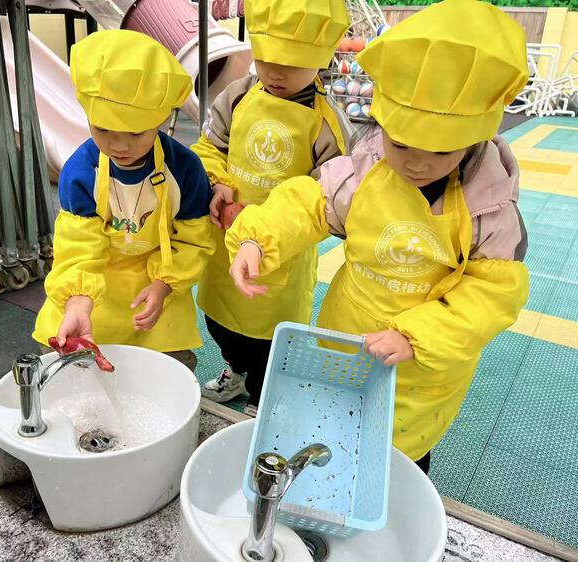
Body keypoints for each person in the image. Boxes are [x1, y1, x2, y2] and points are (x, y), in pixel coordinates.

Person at [226, 0, 530, 472]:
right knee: (331, 434)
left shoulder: (490, 209)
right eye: (401, 143)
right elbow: (308, 202)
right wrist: (256, 238)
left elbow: (491, 295)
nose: (416, 164)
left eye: (440, 151)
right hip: (347, 336)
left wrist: (417, 336)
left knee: (397, 460)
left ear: (475, 139)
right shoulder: (366, 170)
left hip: (418, 369)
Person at [192, 0, 352, 414]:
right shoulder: (237, 97)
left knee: (269, 339)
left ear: (320, 58)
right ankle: (236, 370)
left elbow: (326, 196)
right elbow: (209, 148)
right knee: (220, 321)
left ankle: (263, 396)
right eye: (266, 60)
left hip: (280, 259)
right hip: (226, 240)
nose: (276, 74)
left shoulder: (328, 125)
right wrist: (218, 182)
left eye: (292, 64)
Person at [33, 30, 215, 371]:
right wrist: (78, 301)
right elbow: (78, 248)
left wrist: (163, 286)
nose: (119, 146)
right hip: (98, 280)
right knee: (67, 348)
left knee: (170, 366)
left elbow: (193, 240)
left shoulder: (185, 169)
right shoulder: (80, 172)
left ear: (160, 120)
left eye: (135, 133)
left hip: (157, 279)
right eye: (103, 130)